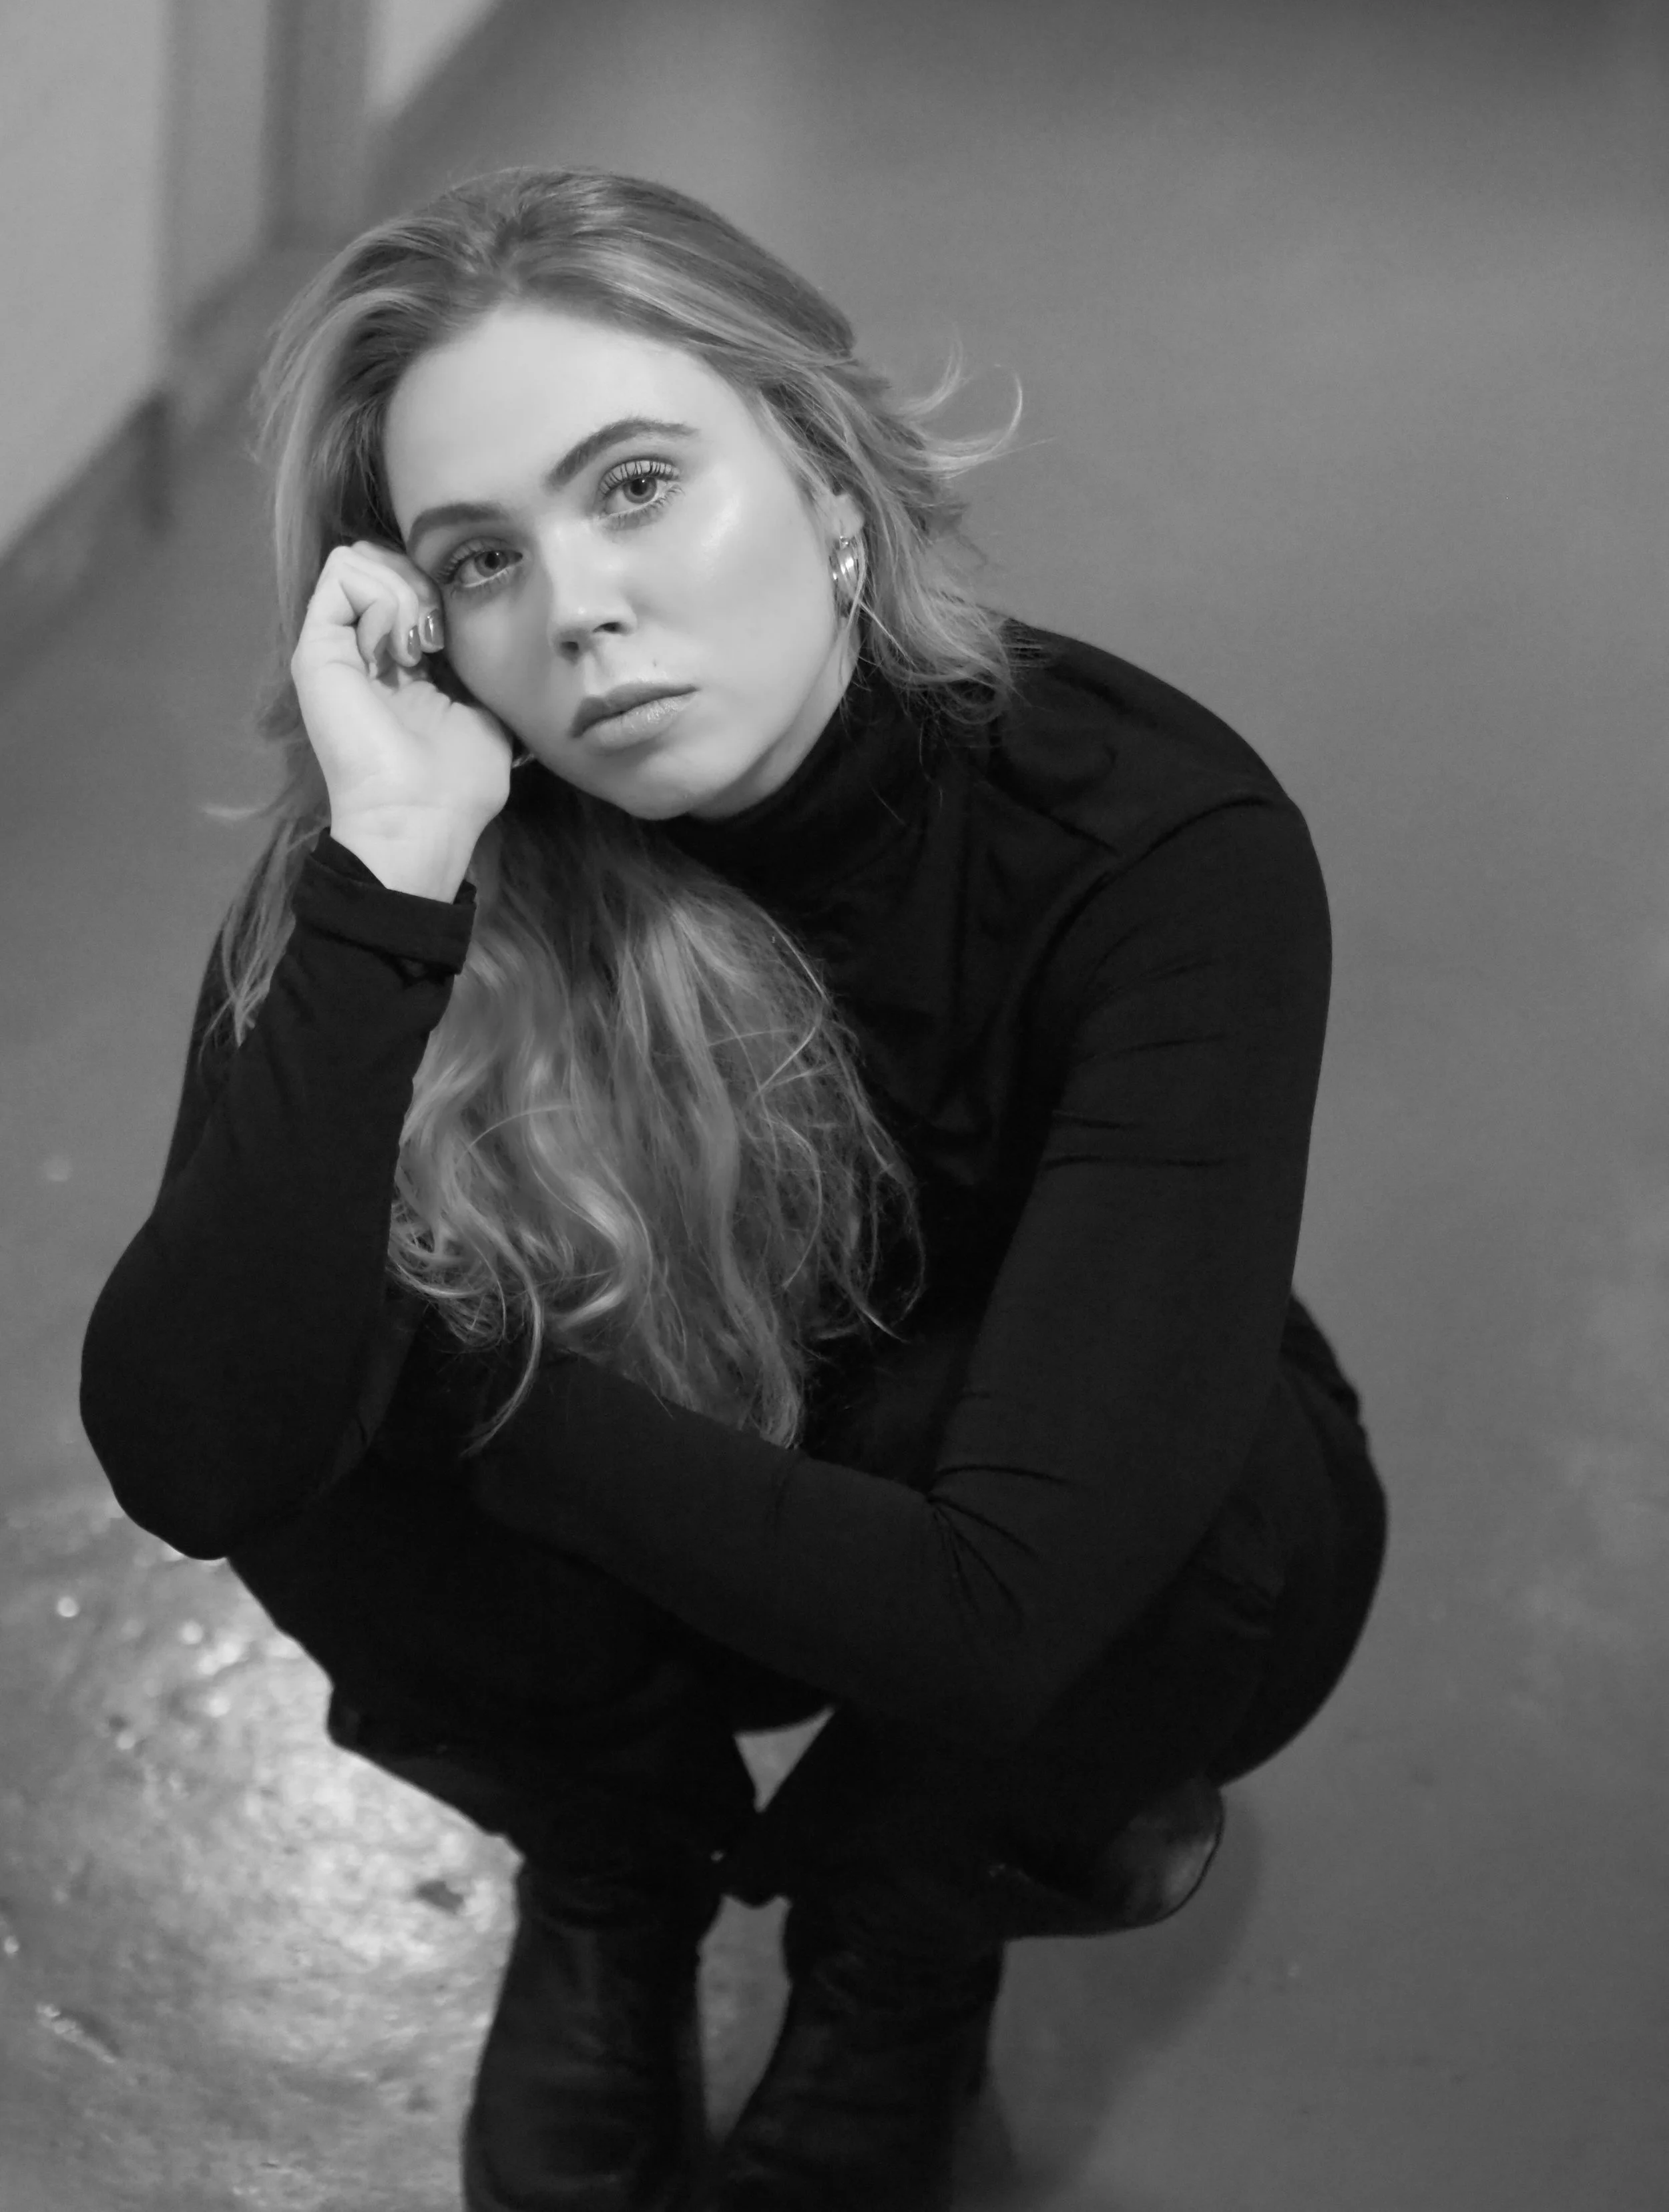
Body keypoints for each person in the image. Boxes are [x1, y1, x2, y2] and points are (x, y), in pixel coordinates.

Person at [79, 165, 1387, 2212]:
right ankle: (612, 1873)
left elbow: (993, 1610)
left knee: (1219, 1509)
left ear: (827, 483)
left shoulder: (1150, 842)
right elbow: (198, 1450)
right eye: (481, 557)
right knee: (289, 1301)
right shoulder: (424, 844)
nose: (576, 606)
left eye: (634, 487)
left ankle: (901, 1934)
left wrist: (452, 1386)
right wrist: (386, 878)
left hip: (968, 1520)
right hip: (655, 1532)